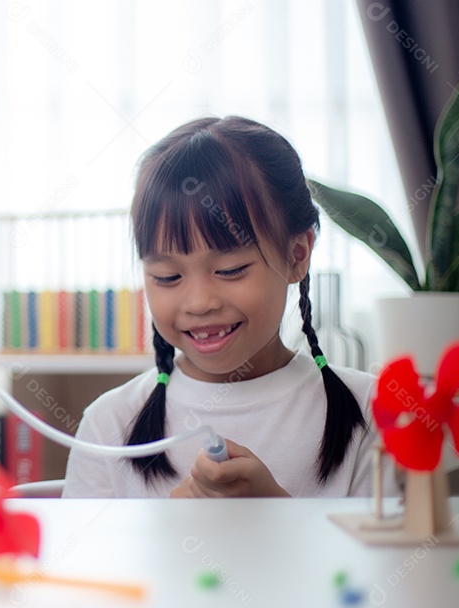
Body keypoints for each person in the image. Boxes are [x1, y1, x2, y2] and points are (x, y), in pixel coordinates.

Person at [63, 116, 396, 498]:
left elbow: (385, 559)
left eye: (230, 270)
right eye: (168, 277)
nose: (200, 302)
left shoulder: (371, 413)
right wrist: (168, 535)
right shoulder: (110, 426)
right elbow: (82, 560)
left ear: (297, 255)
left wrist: (273, 516)